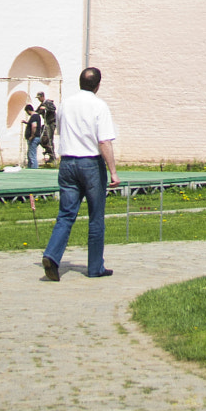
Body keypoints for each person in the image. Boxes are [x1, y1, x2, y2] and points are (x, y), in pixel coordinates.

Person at [42, 67, 119, 281]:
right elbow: (104, 141)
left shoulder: (66, 104)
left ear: (80, 83)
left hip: (67, 163)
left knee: (66, 215)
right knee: (96, 217)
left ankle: (51, 255)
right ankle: (95, 267)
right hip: (90, 164)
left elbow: (61, 131)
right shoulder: (99, 106)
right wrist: (113, 171)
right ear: (98, 85)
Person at [37, 91, 57, 163]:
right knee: (42, 139)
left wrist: (45, 108)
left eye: (39, 98)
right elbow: (37, 112)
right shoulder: (42, 104)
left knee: (49, 139)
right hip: (46, 124)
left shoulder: (48, 102)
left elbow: (53, 109)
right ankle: (48, 151)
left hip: (51, 123)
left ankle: (52, 157)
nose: (38, 99)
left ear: (42, 97)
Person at [24, 104, 43, 170]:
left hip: (34, 138)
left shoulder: (34, 116)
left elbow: (34, 126)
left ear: (28, 110)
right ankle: (29, 168)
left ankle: (34, 169)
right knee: (30, 154)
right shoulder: (36, 116)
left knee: (32, 155)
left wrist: (32, 136)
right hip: (35, 138)